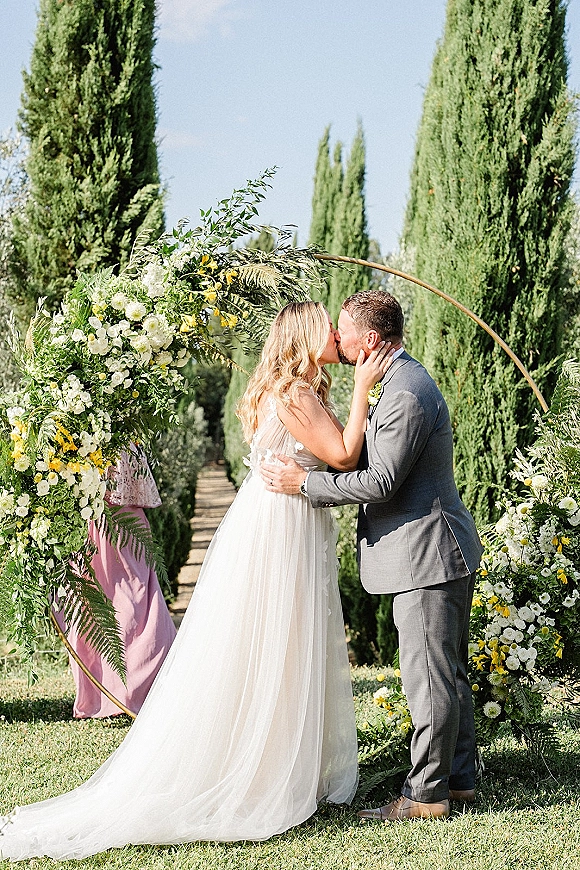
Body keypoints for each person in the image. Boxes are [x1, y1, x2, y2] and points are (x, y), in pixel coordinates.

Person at [0, 301, 393, 860]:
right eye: (326, 326)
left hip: (269, 522)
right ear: (304, 336)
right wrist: (362, 387)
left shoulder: (281, 389)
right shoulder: (297, 392)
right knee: (279, 643)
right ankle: (268, 769)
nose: (335, 333)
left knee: (270, 645)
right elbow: (346, 456)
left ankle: (277, 759)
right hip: (283, 527)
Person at [262, 289, 483, 822]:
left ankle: (426, 796)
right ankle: (458, 782)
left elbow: (380, 481)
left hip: (426, 551)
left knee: (428, 677)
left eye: (344, 330)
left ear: (373, 341)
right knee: (445, 672)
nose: (336, 338)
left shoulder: (405, 391)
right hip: (429, 550)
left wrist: (305, 484)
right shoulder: (399, 382)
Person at [56, 447, 177, 718]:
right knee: (92, 598)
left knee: (132, 594)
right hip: (84, 494)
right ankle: (104, 692)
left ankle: (138, 687)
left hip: (112, 495)